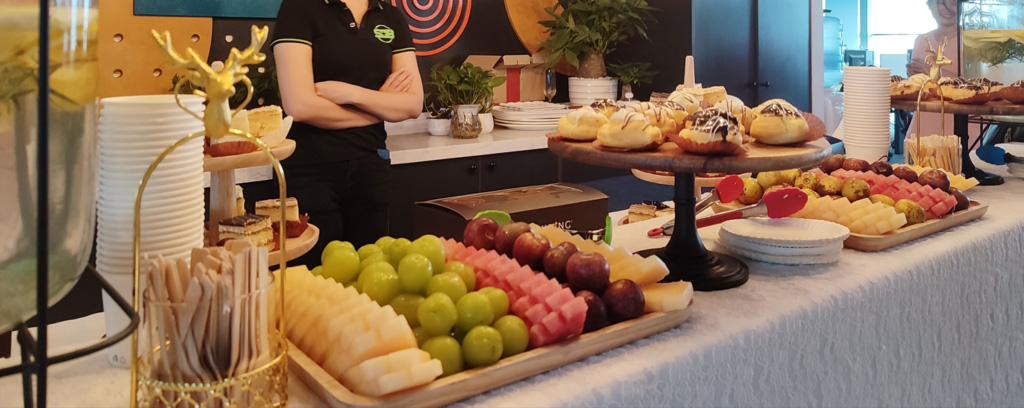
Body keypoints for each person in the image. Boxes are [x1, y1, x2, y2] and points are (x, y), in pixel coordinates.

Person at [272, 0, 423, 267]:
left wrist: (352, 94)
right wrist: (379, 104)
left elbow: (412, 104)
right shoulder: (299, 7)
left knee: (369, 279)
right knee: (314, 282)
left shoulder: (389, 14)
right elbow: (300, 105)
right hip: (310, 171)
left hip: (371, 167)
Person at [906, 0, 1003, 185]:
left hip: (964, 123)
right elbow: (921, 84)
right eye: (940, 2)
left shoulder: (972, 39)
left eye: (954, 2)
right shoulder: (921, 41)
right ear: (929, 5)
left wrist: (934, 72)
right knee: (923, 176)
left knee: (961, 173)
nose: (947, 8)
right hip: (926, 118)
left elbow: (979, 83)